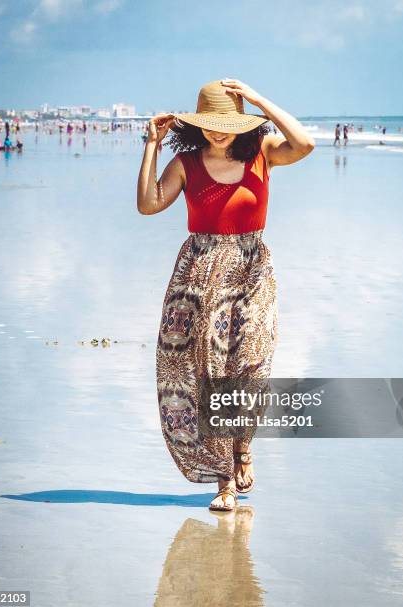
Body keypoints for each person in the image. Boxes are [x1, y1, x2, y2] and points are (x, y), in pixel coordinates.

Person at [137, 79, 315, 512]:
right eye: (211, 124)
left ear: (241, 122)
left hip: (252, 271)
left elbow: (305, 143)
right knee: (210, 372)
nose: (219, 131)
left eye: (228, 122)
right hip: (199, 277)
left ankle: (243, 449)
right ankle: (224, 483)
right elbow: (147, 203)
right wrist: (151, 146)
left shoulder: (263, 154)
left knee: (251, 365)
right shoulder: (186, 163)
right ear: (198, 124)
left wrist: (258, 100)